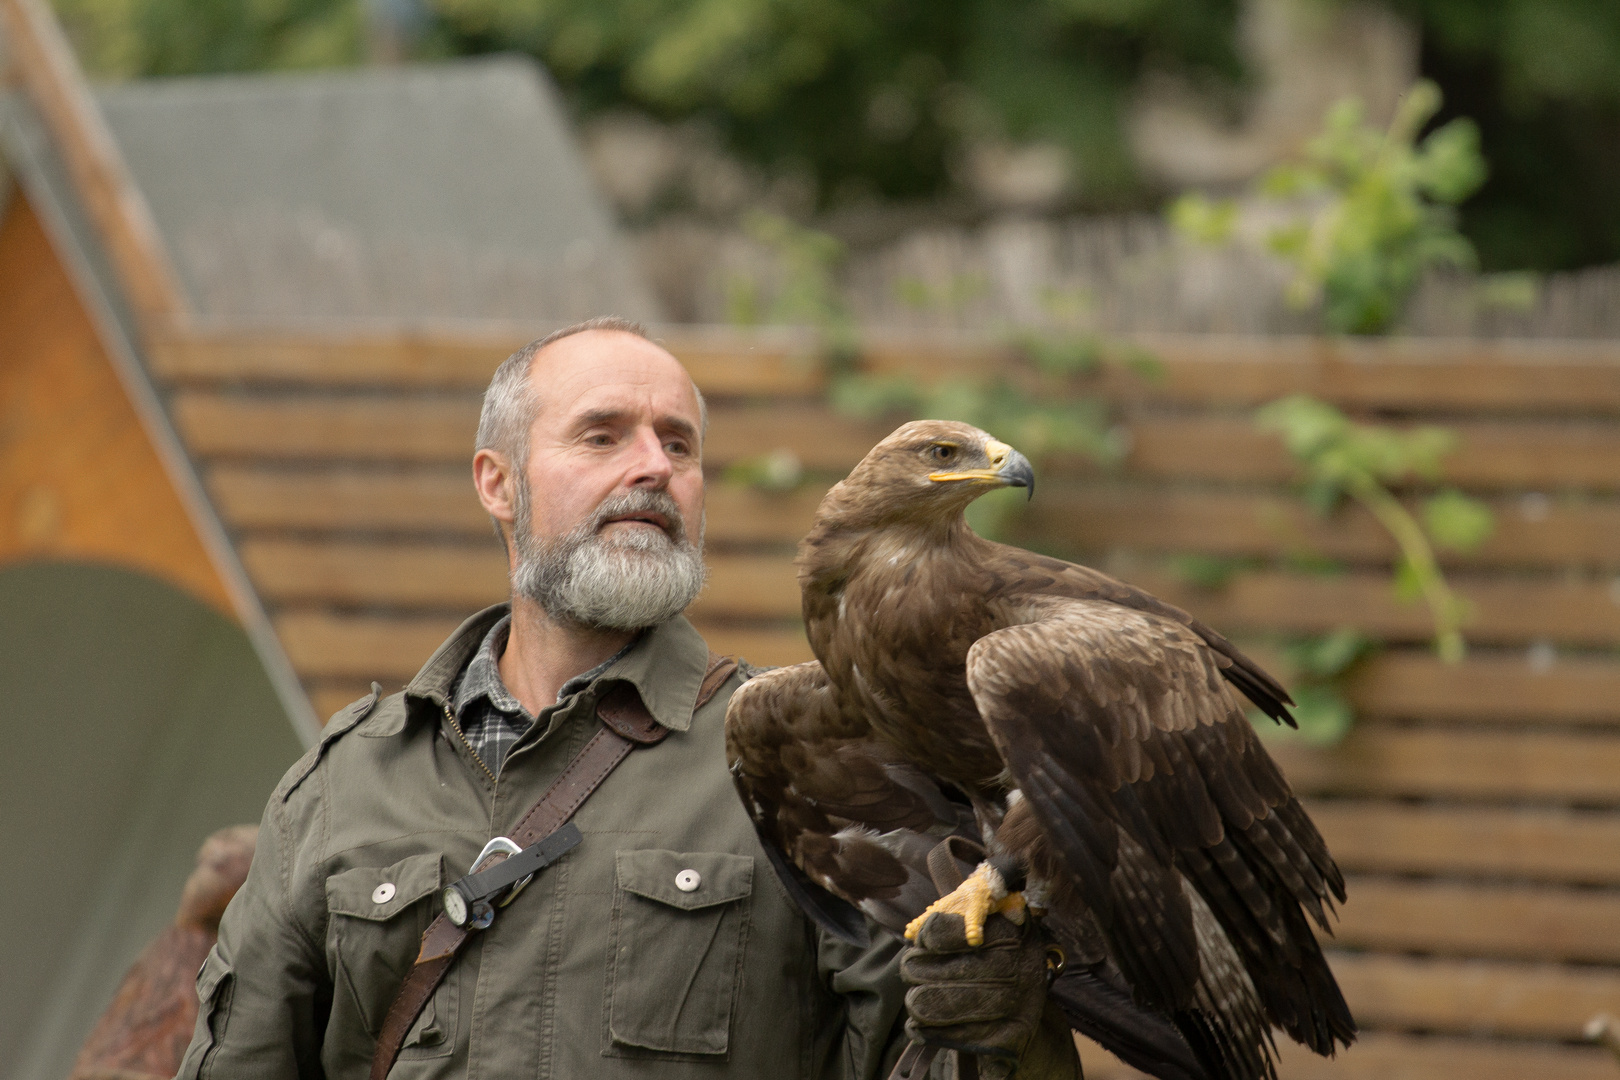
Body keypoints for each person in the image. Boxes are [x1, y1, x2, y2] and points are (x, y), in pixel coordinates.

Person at [175, 317, 1072, 1080]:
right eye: (602, 436)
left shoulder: (810, 765)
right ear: (498, 482)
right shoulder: (346, 783)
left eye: (678, 444)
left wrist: (1006, 1032)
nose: (653, 467)